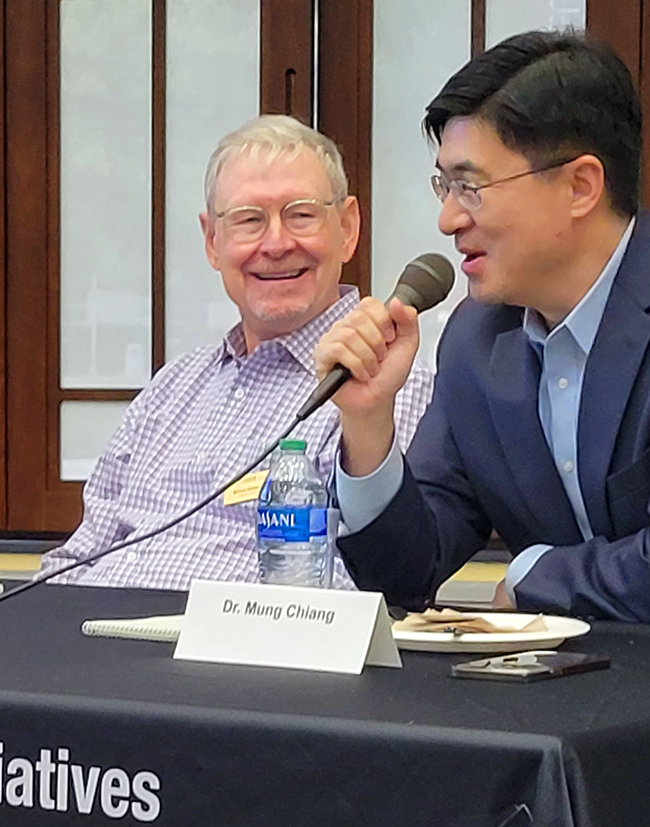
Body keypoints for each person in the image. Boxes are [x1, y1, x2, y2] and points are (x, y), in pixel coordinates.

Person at [317, 32, 650, 625]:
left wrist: (528, 578)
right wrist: (367, 424)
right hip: (569, 692)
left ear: (580, 186)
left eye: (471, 187)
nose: (447, 218)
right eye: (444, 185)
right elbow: (407, 573)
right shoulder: (477, 338)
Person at [44, 115, 434, 591]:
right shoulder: (172, 388)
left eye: (301, 215)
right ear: (212, 241)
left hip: (239, 651)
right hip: (93, 640)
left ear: (347, 228)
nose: (275, 244)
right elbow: (79, 556)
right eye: (249, 220)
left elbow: (370, 586)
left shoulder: (389, 386)